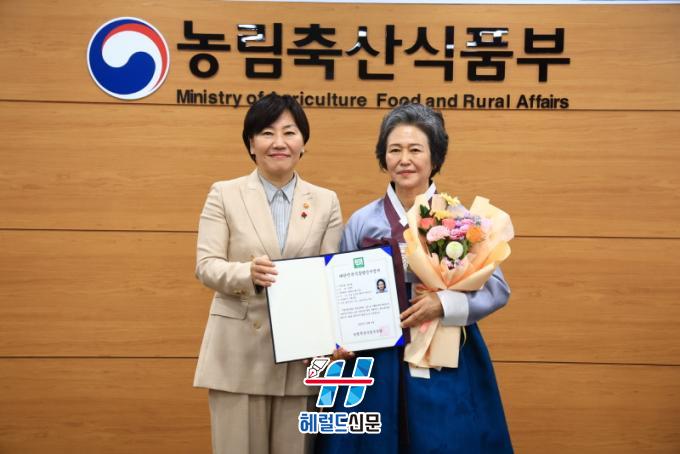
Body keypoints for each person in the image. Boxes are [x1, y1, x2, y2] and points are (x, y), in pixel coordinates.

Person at [316, 103, 513, 453]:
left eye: (415, 150)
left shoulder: (460, 219)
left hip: (443, 348)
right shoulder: (362, 221)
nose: (404, 160)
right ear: (383, 158)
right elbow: (338, 289)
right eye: (394, 150)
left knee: (446, 438)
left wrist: (443, 303)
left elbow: (497, 289)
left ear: (434, 158)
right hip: (374, 352)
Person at [194, 93, 343, 454]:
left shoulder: (326, 201)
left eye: (289, 132)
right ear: (251, 144)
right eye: (266, 133)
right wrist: (247, 273)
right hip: (237, 355)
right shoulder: (224, 194)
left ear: (303, 143)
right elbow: (206, 265)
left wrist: (331, 337)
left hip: (300, 358)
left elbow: (330, 278)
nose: (279, 142)